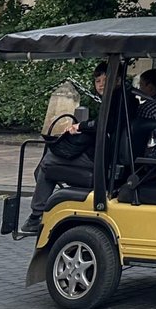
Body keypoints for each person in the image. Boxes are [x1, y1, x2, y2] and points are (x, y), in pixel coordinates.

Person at [23, 62, 119, 233]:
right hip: (104, 153)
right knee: (51, 155)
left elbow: (103, 124)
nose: (101, 84)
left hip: (100, 159)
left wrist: (79, 127)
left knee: (47, 164)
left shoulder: (116, 102)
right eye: (98, 81)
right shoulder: (122, 100)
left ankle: (35, 216)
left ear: (117, 79)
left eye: (106, 80)